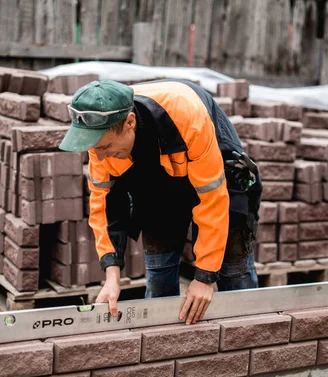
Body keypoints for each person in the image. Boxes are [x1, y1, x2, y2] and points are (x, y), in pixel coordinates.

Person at [59, 79, 262, 324]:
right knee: (158, 271)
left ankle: (247, 332)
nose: (99, 155)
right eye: (94, 148)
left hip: (217, 172)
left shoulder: (189, 119)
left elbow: (212, 199)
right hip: (159, 181)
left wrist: (205, 277)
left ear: (130, 123)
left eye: (105, 146)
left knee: (233, 267)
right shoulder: (99, 141)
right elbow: (103, 206)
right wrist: (111, 275)